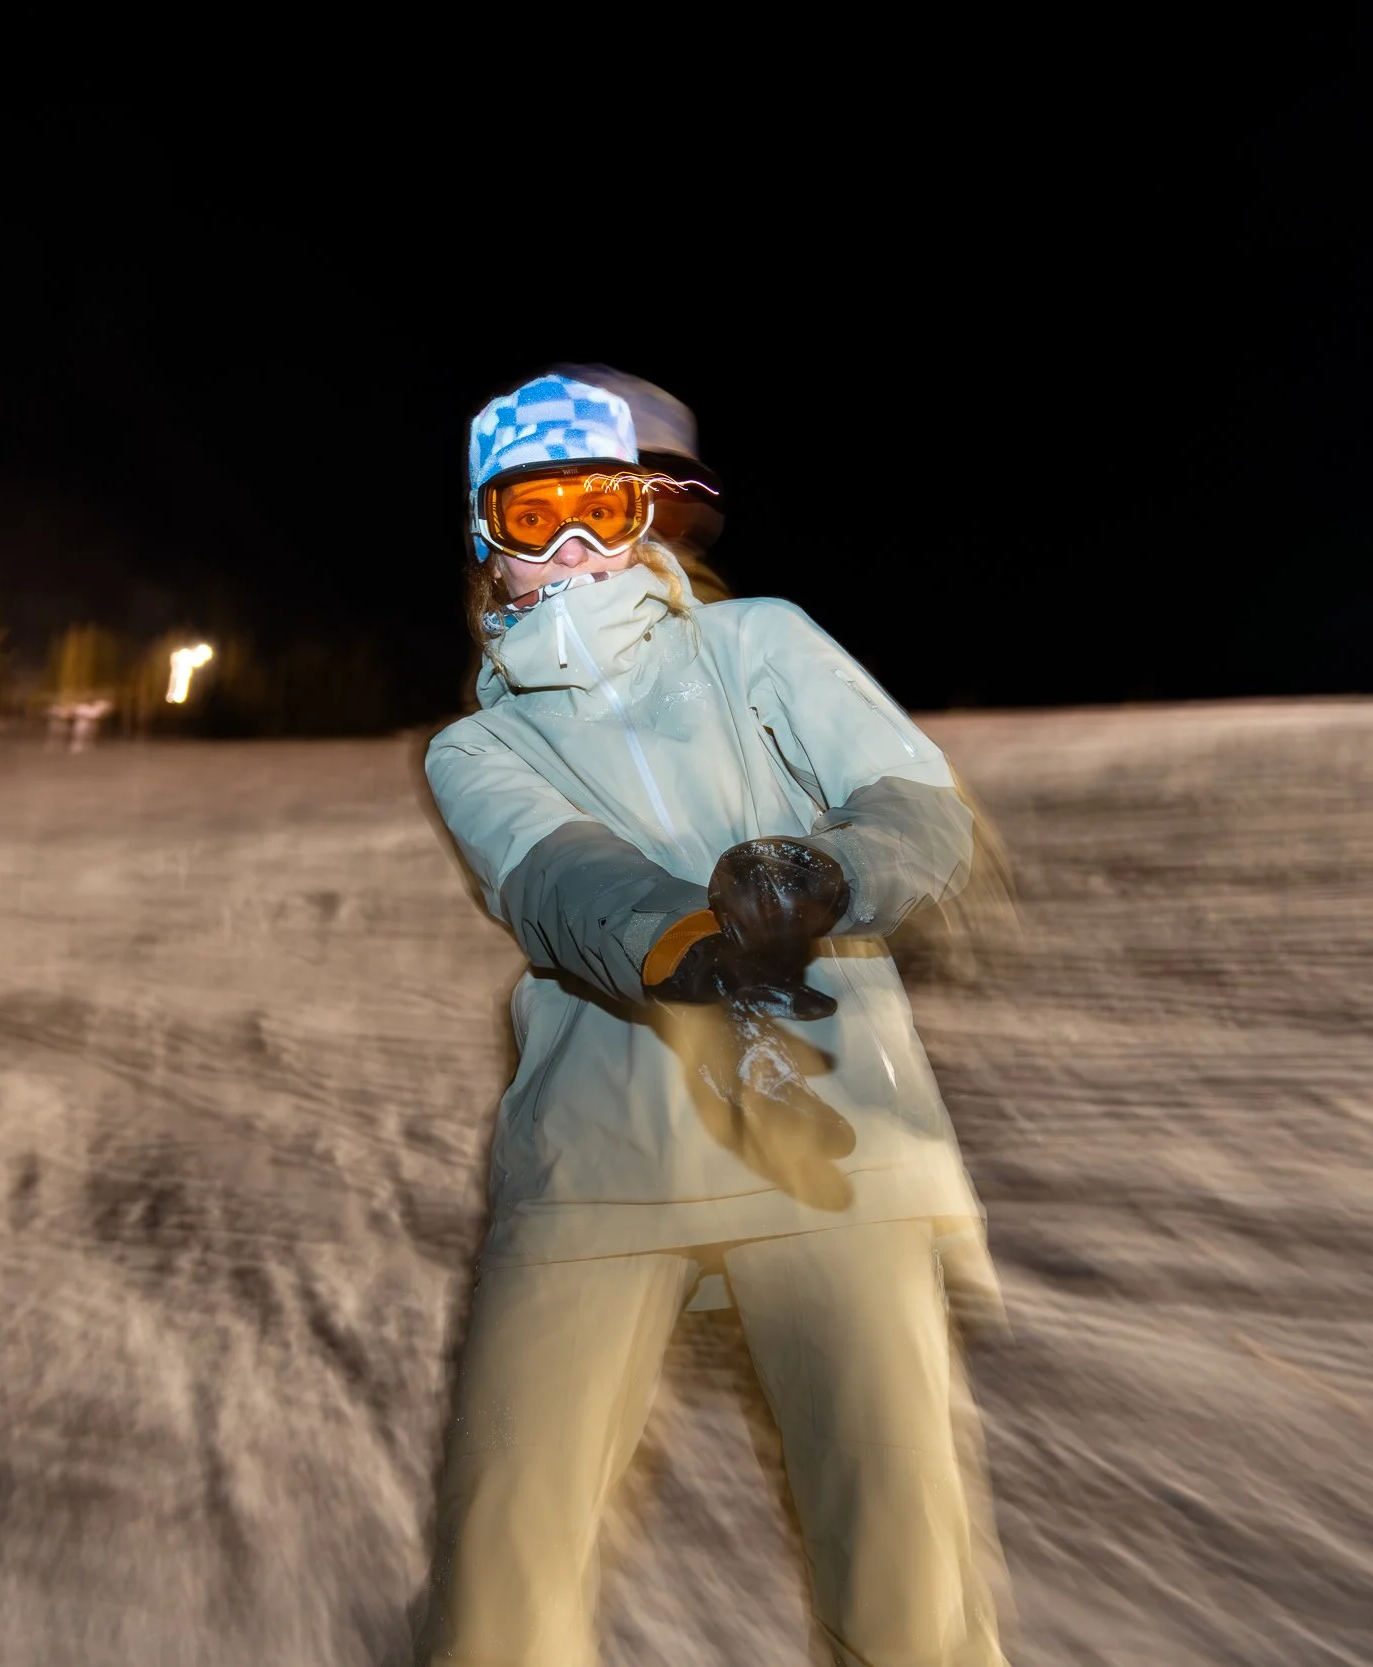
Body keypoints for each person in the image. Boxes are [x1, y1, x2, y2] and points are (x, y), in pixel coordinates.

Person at [420, 370, 1010, 1665]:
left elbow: (916, 805)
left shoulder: (757, 649)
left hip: (828, 1133)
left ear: (640, 513)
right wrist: (689, 944)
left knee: (903, 1574)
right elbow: (561, 878)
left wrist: (825, 876)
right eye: (534, 519)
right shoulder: (475, 751)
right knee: (501, 1566)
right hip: (599, 1154)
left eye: (599, 506)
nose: (573, 548)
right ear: (487, 543)